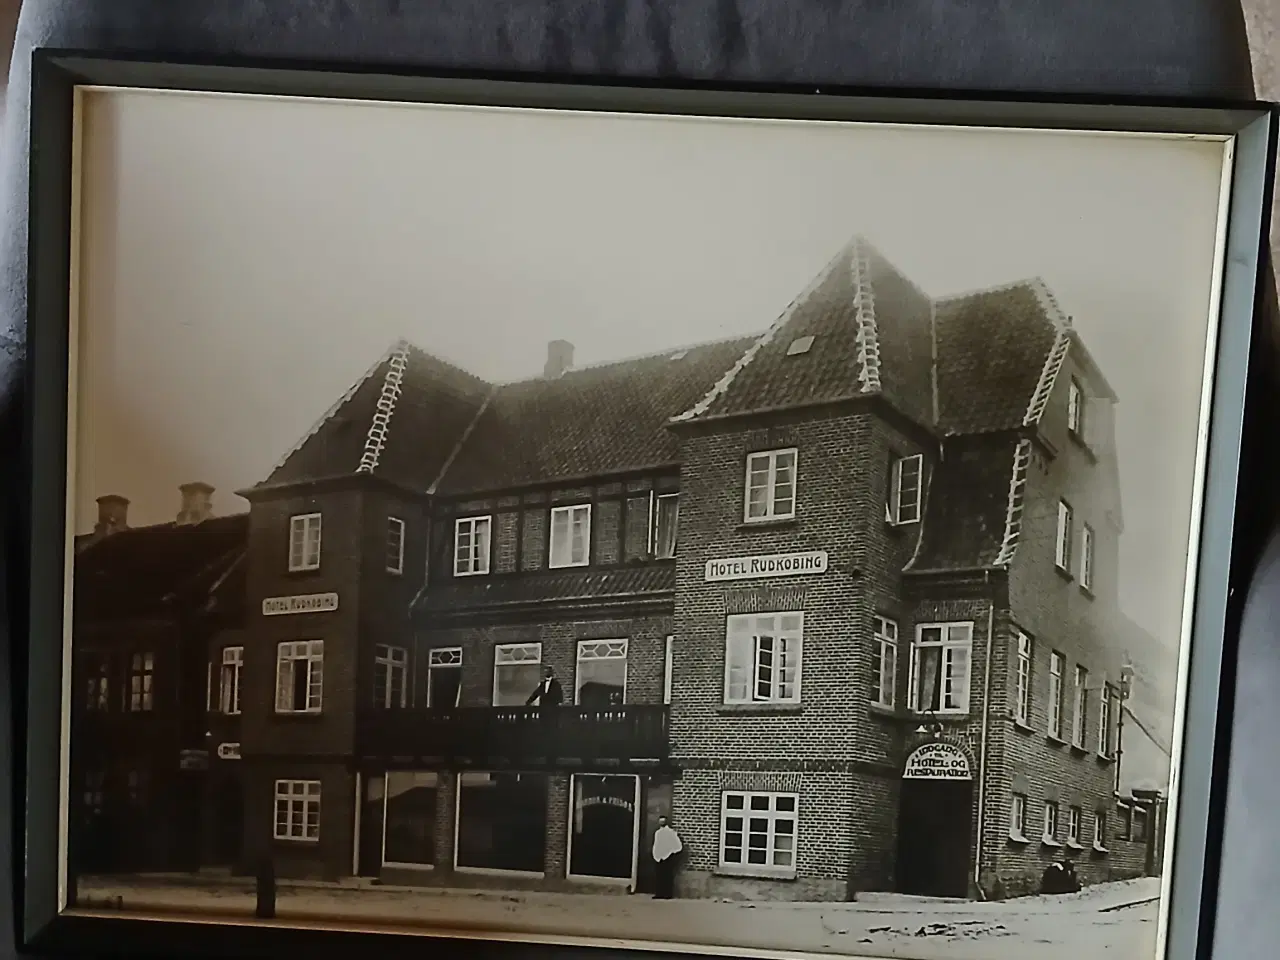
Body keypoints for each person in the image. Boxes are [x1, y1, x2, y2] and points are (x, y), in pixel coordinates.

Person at [652, 816, 683, 899]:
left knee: (667, 876)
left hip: (667, 857)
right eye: (660, 821)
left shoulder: (671, 833)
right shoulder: (657, 833)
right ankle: (659, 893)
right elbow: (656, 844)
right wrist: (655, 854)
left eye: (663, 821)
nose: (661, 823)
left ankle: (667, 894)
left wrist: (671, 853)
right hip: (659, 858)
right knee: (659, 876)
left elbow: (678, 846)